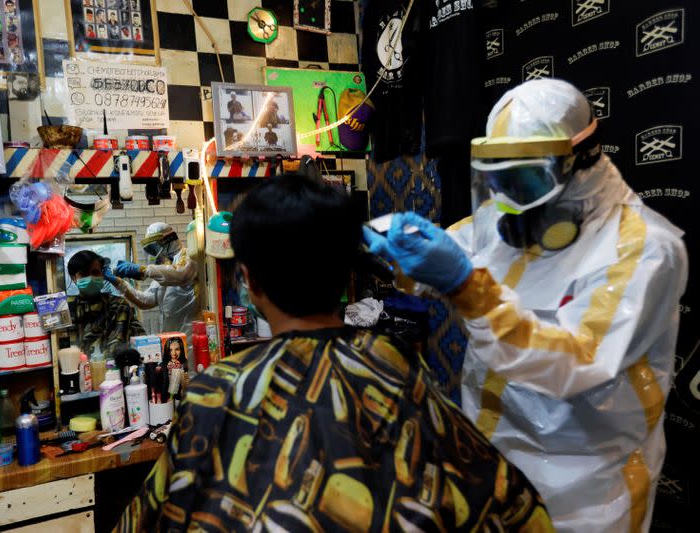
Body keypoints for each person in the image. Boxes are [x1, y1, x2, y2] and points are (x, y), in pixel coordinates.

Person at [115, 175, 553, 531]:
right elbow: (516, 509)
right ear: (347, 277)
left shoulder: (214, 392)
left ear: (249, 281)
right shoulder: (396, 367)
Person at [365, 79, 689, 532]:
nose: (508, 199)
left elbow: (576, 362)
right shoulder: (509, 218)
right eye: (499, 179)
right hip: (493, 463)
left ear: (582, 161)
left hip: (587, 490)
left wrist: (467, 288)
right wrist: (399, 248)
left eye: (525, 179)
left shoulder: (643, 250)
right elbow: (451, 256)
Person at [112, 223, 198, 340]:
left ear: (167, 240)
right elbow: (145, 300)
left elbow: (180, 274)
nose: (153, 253)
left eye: (154, 247)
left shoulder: (187, 256)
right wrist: (118, 283)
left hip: (191, 336)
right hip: (171, 336)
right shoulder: (164, 269)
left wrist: (144, 270)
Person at [67, 250, 145, 355]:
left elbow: (143, 342)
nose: (90, 278)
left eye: (95, 273)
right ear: (73, 278)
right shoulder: (66, 309)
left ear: (102, 275)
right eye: (84, 274)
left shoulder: (119, 306)